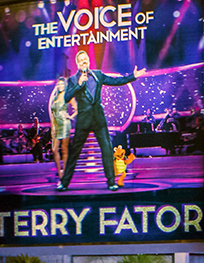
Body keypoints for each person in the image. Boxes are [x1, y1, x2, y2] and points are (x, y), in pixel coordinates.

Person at [57, 48, 145, 192]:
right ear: (77, 63)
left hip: (99, 119)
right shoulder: (73, 80)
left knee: (107, 149)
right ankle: (64, 183)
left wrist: (132, 76)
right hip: (83, 121)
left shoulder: (98, 75)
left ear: (88, 61)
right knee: (75, 152)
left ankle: (111, 182)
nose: (83, 61)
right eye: (80, 60)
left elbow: (115, 81)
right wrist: (79, 84)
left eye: (85, 58)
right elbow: (66, 98)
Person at [47, 72, 73, 179]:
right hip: (56, 125)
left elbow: (77, 108)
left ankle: (64, 174)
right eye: (59, 84)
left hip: (64, 124)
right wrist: (52, 127)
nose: (60, 86)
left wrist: (70, 116)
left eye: (62, 84)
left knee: (64, 150)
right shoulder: (55, 98)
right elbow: (53, 114)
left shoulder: (67, 96)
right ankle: (60, 173)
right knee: (54, 149)